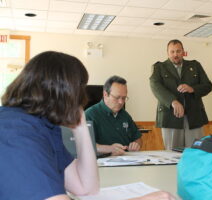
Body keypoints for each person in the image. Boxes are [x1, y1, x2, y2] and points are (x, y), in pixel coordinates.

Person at [0, 51, 174, 200]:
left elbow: (86, 188)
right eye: (79, 88)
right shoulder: (16, 131)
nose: (81, 96)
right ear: (63, 90)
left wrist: (81, 126)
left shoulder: (47, 128)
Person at [150, 39, 212, 150]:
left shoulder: (195, 65)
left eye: (178, 51)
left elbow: (208, 85)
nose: (175, 54)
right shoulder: (159, 67)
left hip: (194, 117)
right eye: (172, 51)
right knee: (173, 154)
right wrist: (172, 101)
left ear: (183, 52)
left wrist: (192, 89)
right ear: (167, 53)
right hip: (170, 118)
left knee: (196, 152)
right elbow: (156, 87)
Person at [85, 75, 142, 156]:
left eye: (124, 98)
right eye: (117, 97)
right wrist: (109, 149)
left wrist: (136, 144)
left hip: (127, 161)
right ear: (105, 94)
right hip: (102, 164)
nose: (121, 102)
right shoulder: (90, 115)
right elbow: (85, 146)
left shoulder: (125, 115)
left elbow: (137, 138)